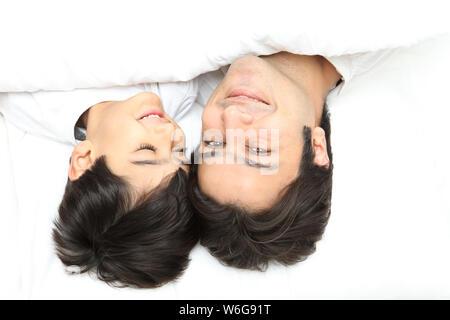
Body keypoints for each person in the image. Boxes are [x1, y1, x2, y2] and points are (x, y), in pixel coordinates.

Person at [188, 51, 392, 270]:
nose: (231, 116)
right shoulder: (371, 41)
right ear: (316, 148)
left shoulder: (186, 63)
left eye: (215, 143)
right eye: (258, 148)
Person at [0, 81, 201, 288]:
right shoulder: (178, 89)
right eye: (179, 152)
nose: (169, 131)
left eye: (147, 149)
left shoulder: (27, 102)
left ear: (84, 159)